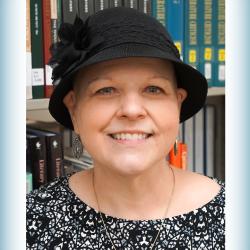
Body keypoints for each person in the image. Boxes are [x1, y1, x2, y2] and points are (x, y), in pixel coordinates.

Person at [26, 7, 225, 249]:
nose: (131, 110)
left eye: (153, 89)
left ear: (178, 104)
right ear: (74, 110)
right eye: (105, 90)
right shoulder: (28, 222)